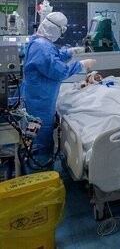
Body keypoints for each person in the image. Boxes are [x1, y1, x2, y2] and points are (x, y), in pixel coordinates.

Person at [22, 12, 95, 168]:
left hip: (39, 95)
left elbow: (53, 56)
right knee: (41, 133)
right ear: (54, 28)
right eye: (62, 30)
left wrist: (70, 52)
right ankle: (40, 167)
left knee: (39, 131)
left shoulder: (39, 41)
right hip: (40, 100)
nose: (62, 34)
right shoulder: (41, 47)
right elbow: (58, 71)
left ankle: (40, 161)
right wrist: (81, 64)